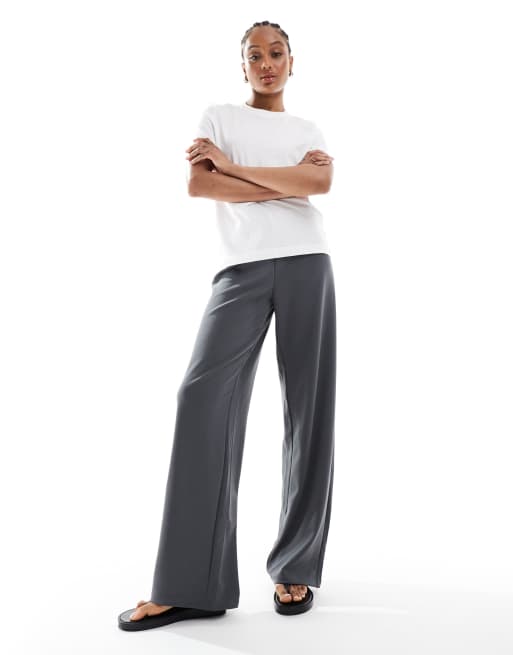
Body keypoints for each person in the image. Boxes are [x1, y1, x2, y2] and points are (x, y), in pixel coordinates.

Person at [118, 20, 336, 631]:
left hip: (307, 261)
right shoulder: (217, 117)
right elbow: (199, 184)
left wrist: (233, 170)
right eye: (254, 55)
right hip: (240, 269)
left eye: (276, 53)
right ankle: (192, 583)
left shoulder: (307, 130)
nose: (266, 63)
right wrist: (283, 180)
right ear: (242, 66)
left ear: (292, 61)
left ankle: (296, 564)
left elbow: (320, 183)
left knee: (308, 410)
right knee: (200, 396)